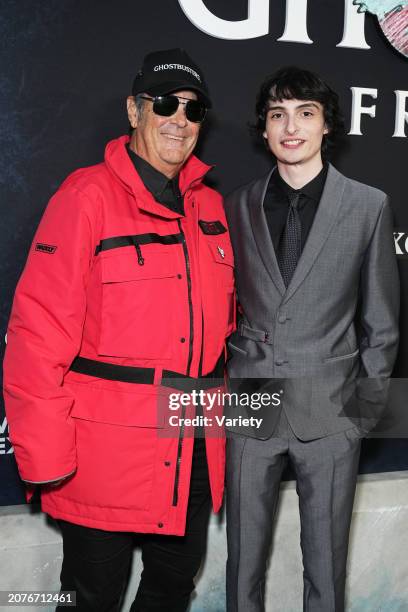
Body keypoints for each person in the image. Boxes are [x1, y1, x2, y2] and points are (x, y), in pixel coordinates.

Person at [3, 48, 235, 612]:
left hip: (191, 449)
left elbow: (228, 332)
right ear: (134, 112)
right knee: (91, 599)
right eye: (164, 104)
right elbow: (37, 333)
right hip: (103, 457)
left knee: (172, 589)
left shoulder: (211, 205)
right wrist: (47, 458)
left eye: (193, 108)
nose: (179, 119)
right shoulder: (84, 198)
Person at [224, 66, 399, 612]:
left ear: (327, 126)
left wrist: (361, 415)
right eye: (278, 115)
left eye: (305, 113)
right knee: (241, 563)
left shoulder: (368, 206)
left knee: (326, 565)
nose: (290, 126)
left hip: (331, 414)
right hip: (251, 406)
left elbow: (383, 321)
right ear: (265, 128)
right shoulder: (236, 205)